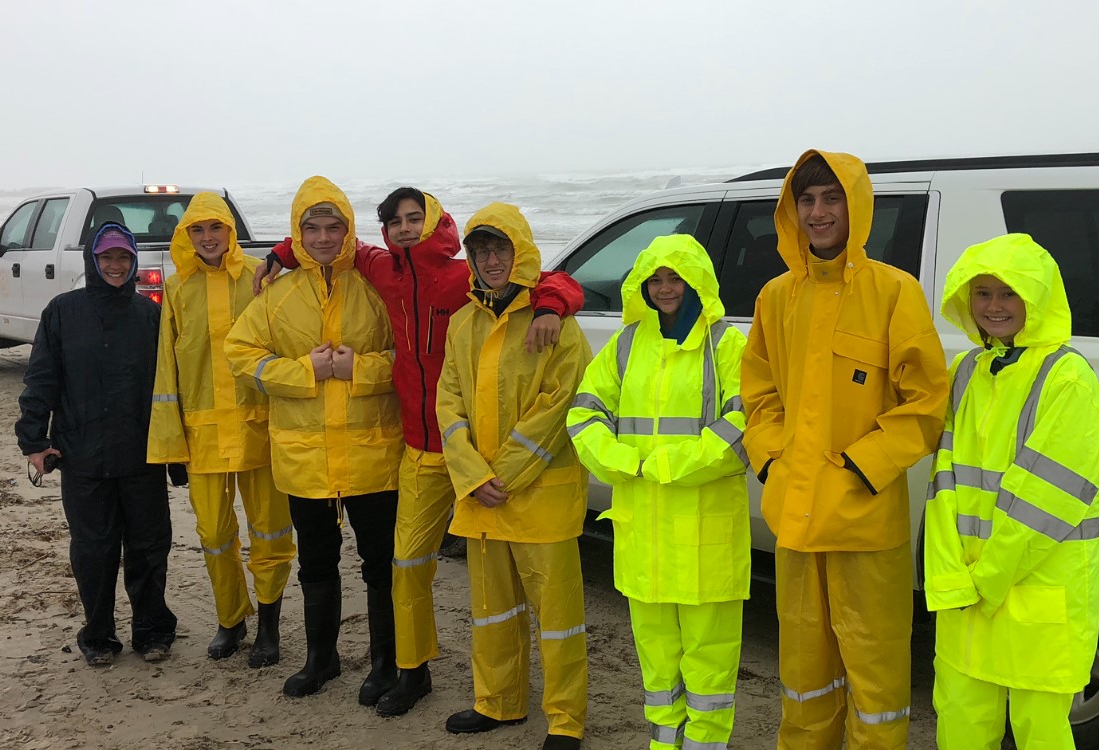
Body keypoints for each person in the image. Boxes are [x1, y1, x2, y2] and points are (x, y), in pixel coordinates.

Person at [253, 187, 584, 715]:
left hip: (477, 453)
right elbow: (335, 244)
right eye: (396, 221)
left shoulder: (463, 276)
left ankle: (534, 704)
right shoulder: (381, 270)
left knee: (506, 582)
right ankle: (410, 670)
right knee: (405, 565)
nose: (406, 228)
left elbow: (540, 276)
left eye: (415, 218)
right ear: (386, 231)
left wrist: (553, 302)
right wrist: (281, 253)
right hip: (419, 449)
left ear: (435, 222)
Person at [740, 150, 950, 749]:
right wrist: (775, 460)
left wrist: (864, 466)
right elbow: (759, 395)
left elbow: (926, 402)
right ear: (792, 211)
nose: (818, 212)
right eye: (806, 200)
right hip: (797, 520)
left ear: (855, 206)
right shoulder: (776, 297)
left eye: (831, 198)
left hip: (864, 522)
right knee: (804, 675)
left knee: (875, 675)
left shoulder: (894, 292)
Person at [924, 233, 1099, 749]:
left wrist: (981, 581)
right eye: (982, 293)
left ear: (1037, 298)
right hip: (969, 596)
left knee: (1041, 735)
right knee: (960, 727)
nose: (994, 307)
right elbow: (944, 483)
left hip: (1032, 594)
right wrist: (950, 575)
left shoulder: (1068, 379)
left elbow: (1046, 502)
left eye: (1008, 294)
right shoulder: (968, 371)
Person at [568, 233, 750, 750]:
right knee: (656, 661)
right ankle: (664, 744)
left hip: (704, 539)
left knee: (709, 662)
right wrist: (625, 462)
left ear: (698, 282)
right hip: (643, 534)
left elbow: (742, 431)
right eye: (656, 279)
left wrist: (662, 465)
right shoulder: (627, 343)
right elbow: (583, 414)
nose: (666, 288)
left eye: (677, 278)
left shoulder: (729, 346)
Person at [224, 176, 403, 700]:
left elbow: (411, 356)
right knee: (316, 562)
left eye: (334, 227)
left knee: (380, 562)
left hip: (374, 454)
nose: (324, 237)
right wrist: (303, 372)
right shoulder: (277, 292)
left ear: (349, 230)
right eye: (313, 227)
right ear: (298, 232)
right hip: (305, 459)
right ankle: (320, 660)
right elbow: (241, 354)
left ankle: (385, 664)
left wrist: (360, 369)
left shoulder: (376, 285)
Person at [435, 203, 590, 750]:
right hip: (483, 498)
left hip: (539, 497)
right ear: (471, 259)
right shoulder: (461, 324)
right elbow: (448, 402)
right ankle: (498, 702)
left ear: (519, 251)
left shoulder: (556, 325)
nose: (492, 259)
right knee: (493, 612)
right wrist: (473, 476)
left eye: (500, 248)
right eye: (481, 250)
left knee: (558, 618)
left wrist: (502, 475)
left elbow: (560, 407)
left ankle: (565, 719)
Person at [16, 222, 178, 665]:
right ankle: (99, 636)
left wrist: (176, 450)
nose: (114, 265)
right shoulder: (63, 311)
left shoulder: (149, 315)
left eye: (123, 257)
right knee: (93, 551)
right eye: (106, 257)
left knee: (148, 547)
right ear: (92, 260)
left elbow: (170, 385)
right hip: (81, 455)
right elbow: (41, 378)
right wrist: (34, 439)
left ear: (134, 262)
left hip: (141, 455)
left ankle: (152, 630)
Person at [147, 192, 295, 667]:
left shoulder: (260, 277)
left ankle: (269, 622)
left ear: (231, 232)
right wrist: (171, 444)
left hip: (261, 431)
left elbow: (284, 348)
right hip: (202, 436)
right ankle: (231, 619)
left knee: (271, 532)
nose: (208, 238)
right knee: (214, 533)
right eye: (198, 230)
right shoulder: (175, 288)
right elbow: (166, 370)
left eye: (216, 228)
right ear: (185, 235)